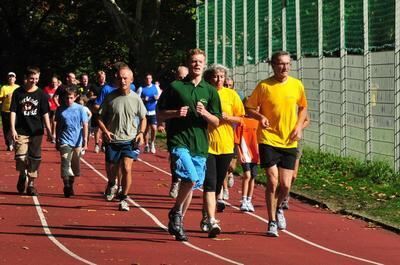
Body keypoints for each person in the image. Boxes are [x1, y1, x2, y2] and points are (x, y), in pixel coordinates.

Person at [157, 48, 222, 241]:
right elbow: (159, 113)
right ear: (188, 63)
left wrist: (205, 114)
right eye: (193, 61)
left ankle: (178, 219)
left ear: (204, 63)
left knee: (190, 184)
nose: (197, 64)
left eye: (200, 61)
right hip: (179, 141)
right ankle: (176, 214)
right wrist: (176, 113)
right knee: (191, 179)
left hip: (200, 144)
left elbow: (217, 121)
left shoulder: (210, 91)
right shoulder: (176, 87)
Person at [245, 51, 308, 237]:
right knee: (272, 181)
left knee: (286, 185)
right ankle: (271, 221)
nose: (285, 67)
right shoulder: (264, 86)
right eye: (281, 64)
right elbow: (249, 108)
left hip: (289, 140)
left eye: (288, 64)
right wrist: (260, 116)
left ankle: (279, 207)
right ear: (273, 65)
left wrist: (299, 126)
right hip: (268, 138)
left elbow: (303, 107)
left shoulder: (297, 85)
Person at [200, 64, 244, 238]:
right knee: (209, 183)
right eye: (215, 76)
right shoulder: (204, 93)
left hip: (226, 145)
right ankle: (211, 219)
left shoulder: (231, 95)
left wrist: (228, 117)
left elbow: (241, 118)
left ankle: (206, 215)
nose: (219, 80)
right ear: (209, 78)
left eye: (221, 77)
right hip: (207, 144)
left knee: (218, 184)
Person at [98, 65, 147, 211]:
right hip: (113, 140)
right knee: (112, 169)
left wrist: (141, 133)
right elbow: (99, 117)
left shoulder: (136, 99)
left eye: (125, 78)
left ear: (131, 80)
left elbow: (143, 118)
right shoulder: (110, 97)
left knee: (126, 168)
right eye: (120, 78)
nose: (122, 81)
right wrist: (105, 131)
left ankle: (124, 198)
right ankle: (112, 183)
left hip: (130, 140)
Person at [10, 66, 51, 196]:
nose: (34, 81)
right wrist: (12, 129)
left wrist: (49, 131)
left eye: (37, 78)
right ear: (26, 78)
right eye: (32, 78)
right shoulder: (18, 93)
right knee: (21, 158)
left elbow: (45, 114)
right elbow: (13, 111)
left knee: (35, 159)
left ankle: (31, 185)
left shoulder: (42, 95)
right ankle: (22, 175)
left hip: (37, 131)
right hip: (21, 130)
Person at [54, 86, 89, 197]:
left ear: (75, 97)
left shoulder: (80, 109)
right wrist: (57, 140)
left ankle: (71, 184)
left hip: (77, 141)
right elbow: (58, 125)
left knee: (75, 166)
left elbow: (85, 124)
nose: (68, 100)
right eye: (67, 98)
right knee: (65, 163)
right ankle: (66, 185)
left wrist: (85, 141)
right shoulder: (60, 110)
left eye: (71, 98)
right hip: (65, 140)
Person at [167, 65, 189, 198]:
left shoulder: (194, 89)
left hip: (190, 131)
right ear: (176, 77)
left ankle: (185, 183)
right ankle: (175, 181)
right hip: (174, 129)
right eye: (180, 77)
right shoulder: (171, 90)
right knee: (175, 158)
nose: (182, 80)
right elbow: (162, 111)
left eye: (185, 77)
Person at [280, 112, 310, 209]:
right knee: (281, 175)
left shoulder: (300, 105)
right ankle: (282, 196)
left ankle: (285, 194)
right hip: (282, 140)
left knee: (293, 175)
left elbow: (307, 120)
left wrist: (299, 128)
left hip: (296, 141)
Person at [235, 111, 259, 212]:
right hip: (245, 153)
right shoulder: (241, 121)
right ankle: (243, 200)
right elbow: (236, 140)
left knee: (253, 176)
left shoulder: (259, 122)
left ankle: (249, 200)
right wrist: (240, 154)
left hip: (255, 154)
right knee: (247, 176)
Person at [140, 73, 159, 154]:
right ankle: (147, 145)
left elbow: (160, 96)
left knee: (154, 128)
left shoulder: (155, 87)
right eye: (147, 78)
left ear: (152, 79)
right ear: (145, 80)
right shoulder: (142, 89)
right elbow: (137, 99)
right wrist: (144, 99)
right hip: (145, 112)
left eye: (150, 78)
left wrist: (157, 98)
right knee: (146, 129)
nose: (148, 80)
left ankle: (152, 143)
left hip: (153, 111)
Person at [0, 72, 20, 151]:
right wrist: (5, 96)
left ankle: (14, 142)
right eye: (9, 77)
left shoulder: (18, 87)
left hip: (15, 111)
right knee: (6, 128)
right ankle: (9, 144)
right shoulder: (4, 87)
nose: (11, 78)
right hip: (5, 111)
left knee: (14, 127)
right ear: (8, 79)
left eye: (13, 77)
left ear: (15, 79)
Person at [43, 76, 60, 143]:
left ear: (57, 82)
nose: (54, 84)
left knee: (54, 121)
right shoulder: (46, 89)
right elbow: (43, 97)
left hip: (56, 108)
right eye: (52, 82)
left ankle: (53, 135)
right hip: (48, 108)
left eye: (55, 82)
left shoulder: (59, 89)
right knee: (49, 122)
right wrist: (48, 102)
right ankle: (49, 135)